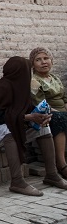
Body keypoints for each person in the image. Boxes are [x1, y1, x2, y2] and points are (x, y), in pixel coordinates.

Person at [0, 56, 67, 195]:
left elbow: (25, 109)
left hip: (1, 131)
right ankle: (17, 182)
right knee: (10, 129)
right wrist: (27, 117)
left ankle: (52, 175)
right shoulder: (2, 87)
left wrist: (41, 116)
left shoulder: (21, 89)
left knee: (44, 126)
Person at [29, 47, 67, 179]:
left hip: (62, 111)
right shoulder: (34, 81)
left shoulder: (55, 78)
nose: (43, 62)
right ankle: (61, 164)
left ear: (51, 60)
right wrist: (60, 112)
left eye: (46, 58)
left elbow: (64, 98)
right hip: (48, 113)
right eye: (38, 60)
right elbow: (39, 103)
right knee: (61, 118)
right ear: (33, 64)